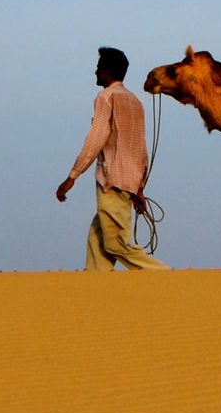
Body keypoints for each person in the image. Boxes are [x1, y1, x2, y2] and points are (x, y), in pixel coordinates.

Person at [56, 47, 169, 270]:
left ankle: (165, 277)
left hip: (112, 180)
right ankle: (96, 292)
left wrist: (72, 176)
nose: (95, 72)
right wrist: (139, 186)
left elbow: (95, 138)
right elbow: (140, 148)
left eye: (98, 68)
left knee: (117, 243)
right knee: (98, 241)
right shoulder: (134, 102)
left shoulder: (106, 98)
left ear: (107, 71)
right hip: (128, 181)